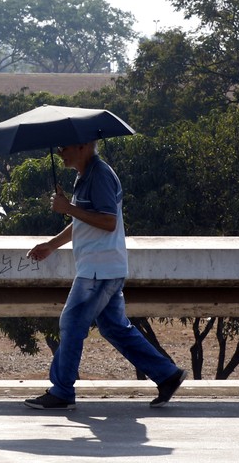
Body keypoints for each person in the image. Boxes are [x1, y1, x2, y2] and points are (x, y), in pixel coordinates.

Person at [24, 140, 186, 410]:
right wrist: (52, 244)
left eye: (64, 147)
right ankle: (167, 375)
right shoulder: (84, 176)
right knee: (113, 328)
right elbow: (86, 221)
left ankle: (62, 391)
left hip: (99, 270)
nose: (59, 152)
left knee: (72, 322)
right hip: (103, 267)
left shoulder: (99, 175)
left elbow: (108, 222)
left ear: (84, 146)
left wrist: (68, 208)